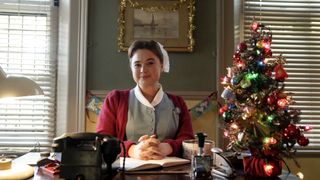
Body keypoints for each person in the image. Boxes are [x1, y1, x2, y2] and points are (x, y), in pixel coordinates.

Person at [96, 40, 194, 160]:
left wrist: (167, 147)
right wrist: (132, 150)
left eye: (150, 63)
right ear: (131, 68)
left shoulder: (178, 102)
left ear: (162, 65)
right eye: (137, 65)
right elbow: (102, 140)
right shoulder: (115, 99)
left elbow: (188, 139)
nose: (143, 70)